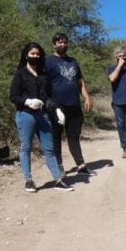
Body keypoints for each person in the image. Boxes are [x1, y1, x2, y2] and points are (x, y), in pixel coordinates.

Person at [10, 42, 74, 193]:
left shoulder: (44, 76)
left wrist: (57, 109)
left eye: (38, 54)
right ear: (26, 55)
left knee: (49, 148)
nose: (35, 56)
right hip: (25, 114)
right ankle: (28, 180)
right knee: (26, 147)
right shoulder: (20, 74)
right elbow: (13, 96)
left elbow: (48, 97)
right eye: (32, 54)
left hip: (43, 115)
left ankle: (58, 180)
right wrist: (27, 101)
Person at [45, 33, 96, 176]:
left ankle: (81, 165)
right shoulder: (48, 62)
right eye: (59, 42)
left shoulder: (73, 61)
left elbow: (80, 82)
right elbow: (44, 84)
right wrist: (48, 103)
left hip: (74, 104)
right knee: (56, 136)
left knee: (74, 136)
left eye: (65, 42)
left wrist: (87, 98)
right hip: (57, 106)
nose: (62, 44)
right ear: (54, 44)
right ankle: (59, 166)